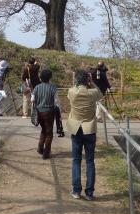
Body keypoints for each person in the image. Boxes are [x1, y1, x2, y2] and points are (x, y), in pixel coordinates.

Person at [67, 69, 102, 200]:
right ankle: (89, 193)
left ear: (76, 80)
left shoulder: (72, 92)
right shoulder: (93, 93)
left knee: (76, 160)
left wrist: (76, 81)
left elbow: (72, 88)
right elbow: (100, 94)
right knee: (90, 161)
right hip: (89, 129)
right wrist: (92, 83)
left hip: (76, 129)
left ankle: (76, 191)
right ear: (87, 80)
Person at [31, 68, 60, 159]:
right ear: (50, 78)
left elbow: (32, 100)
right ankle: (46, 153)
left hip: (39, 112)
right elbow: (56, 102)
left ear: (41, 78)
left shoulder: (37, 87)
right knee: (49, 133)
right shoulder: (53, 87)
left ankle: (40, 148)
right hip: (49, 112)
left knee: (44, 130)